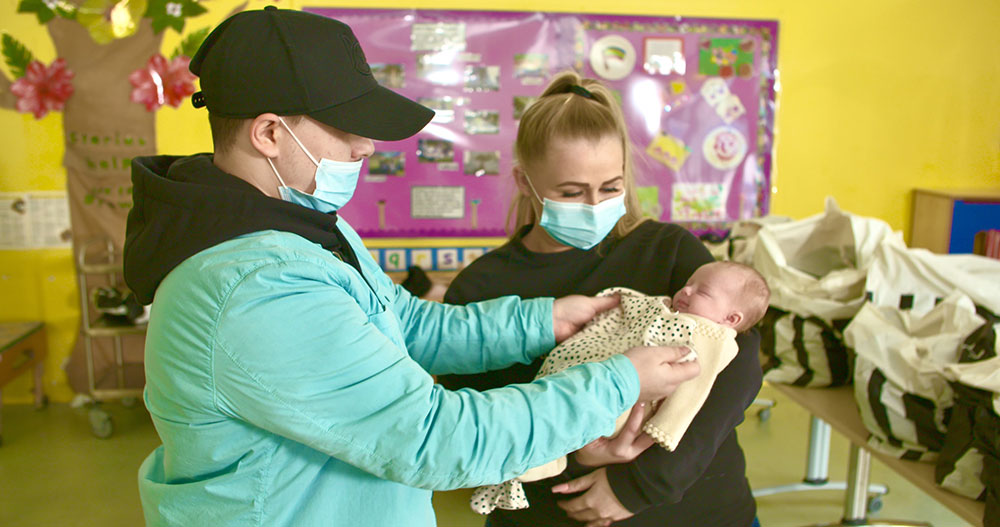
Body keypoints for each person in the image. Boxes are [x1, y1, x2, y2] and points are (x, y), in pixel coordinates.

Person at [121, 8, 701, 527]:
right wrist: (621, 380)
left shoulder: (303, 224)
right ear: (271, 133)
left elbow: (404, 324)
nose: (367, 147)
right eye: (347, 126)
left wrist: (541, 321)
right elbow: (433, 440)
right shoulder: (255, 285)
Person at [437, 72, 765, 527]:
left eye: (610, 188)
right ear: (525, 181)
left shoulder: (667, 250)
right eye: (571, 193)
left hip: (700, 512)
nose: (594, 206)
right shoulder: (482, 289)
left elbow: (738, 359)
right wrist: (583, 458)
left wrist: (641, 485)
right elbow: (478, 433)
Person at [469, 261, 771, 514]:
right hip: (596, 376)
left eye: (701, 290)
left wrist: (661, 436)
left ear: (731, 318)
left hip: (633, 407)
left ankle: (526, 466)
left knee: (574, 424)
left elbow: (691, 396)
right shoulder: (480, 277)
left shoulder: (714, 338)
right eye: (688, 283)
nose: (686, 289)